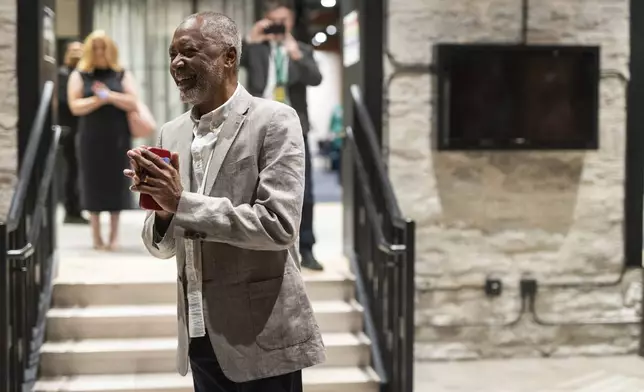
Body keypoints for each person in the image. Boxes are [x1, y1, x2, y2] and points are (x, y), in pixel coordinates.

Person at [125, 12, 325, 392]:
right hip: (199, 332)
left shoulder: (275, 120)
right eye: (172, 54)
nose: (177, 63)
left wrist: (182, 203)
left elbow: (278, 226)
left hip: (262, 333)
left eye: (189, 52)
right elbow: (161, 246)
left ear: (228, 57)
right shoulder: (172, 131)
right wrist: (165, 212)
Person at [242, 0, 324, 271]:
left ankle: (307, 248)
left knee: (304, 189)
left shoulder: (300, 50)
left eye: (284, 21)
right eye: (274, 20)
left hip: (295, 128)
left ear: (290, 23)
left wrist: (296, 54)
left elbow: (315, 78)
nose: (279, 26)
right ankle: (257, 246)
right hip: (258, 125)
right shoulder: (255, 48)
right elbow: (228, 67)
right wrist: (250, 40)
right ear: (266, 20)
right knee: (253, 187)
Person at [67, 30, 138, 251]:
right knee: (92, 183)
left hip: (117, 138)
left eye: (103, 47)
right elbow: (75, 106)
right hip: (91, 137)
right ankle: (96, 235)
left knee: (117, 184)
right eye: (95, 48)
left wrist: (110, 96)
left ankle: (114, 235)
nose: (99, 52)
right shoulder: (80, 74)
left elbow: (133, 102)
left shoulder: (121, 74)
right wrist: (99, 100)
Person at [58, 40, 88, 224]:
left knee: (81, 170)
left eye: (80, 50)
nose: (77, 53)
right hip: (71, 129)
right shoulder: (63, 74)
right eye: (73, 50)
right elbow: (64, 101)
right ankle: (72, 209)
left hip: (85, 128)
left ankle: (78, 207)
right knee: (73, 170)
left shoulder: (85, 74)